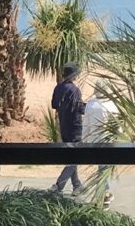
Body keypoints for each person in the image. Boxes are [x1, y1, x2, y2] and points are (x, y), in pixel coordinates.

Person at [52, 61, 85, 194]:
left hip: (63, 125)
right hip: (75, 127)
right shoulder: (74, 90)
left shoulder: (58, 88)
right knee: (76, 157)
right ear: (74, 75)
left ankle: (77, 185)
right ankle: (58, 185)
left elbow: (54, 105)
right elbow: (79, 108)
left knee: (72, 156)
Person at [83, 91, 119, 207]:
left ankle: (104, 194)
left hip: (94, 141)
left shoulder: (91, 104)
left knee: (102, 168)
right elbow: (118, 126)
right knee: (103, 169)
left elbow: (86, 125)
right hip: (108, 142)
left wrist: (85, 140)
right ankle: (105, 196)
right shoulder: (111, 105)